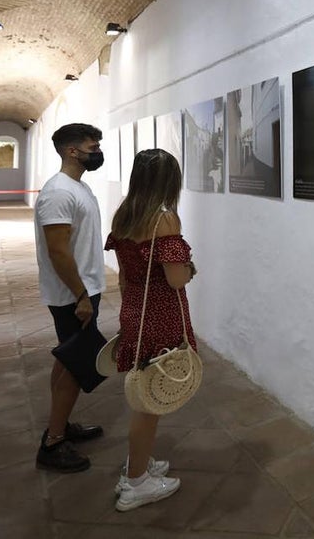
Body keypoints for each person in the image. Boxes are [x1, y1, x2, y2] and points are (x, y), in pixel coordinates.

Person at [105, 148, 198, 511]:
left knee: (146, 391)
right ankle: (136, 483)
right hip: (160, 314)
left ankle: (139, 462)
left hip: (135, 310)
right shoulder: (164, 220)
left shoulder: (125, 214)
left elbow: (125, 276)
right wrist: (190, 268)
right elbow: (176, 279)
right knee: (150, 400)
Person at [34, 123, 107, 472]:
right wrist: (81, 295)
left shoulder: (78, 187)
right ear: (71, 151)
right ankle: (53, 443)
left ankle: (61, 425)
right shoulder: (58, 193)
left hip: (82, 290)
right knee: (76, 366)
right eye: (92, 147)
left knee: (67, 360)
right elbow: (58, 252)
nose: (97, 152)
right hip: (71, 295)